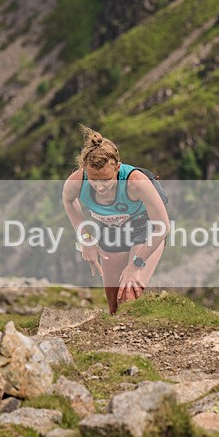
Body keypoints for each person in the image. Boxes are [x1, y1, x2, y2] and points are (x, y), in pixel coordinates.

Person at [62, 125, 170, 315]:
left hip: (144, 228)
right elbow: (68, 201)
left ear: (117, 168)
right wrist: (86, 240)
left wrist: (135, 265)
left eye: (106, 180)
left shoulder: (136, 182)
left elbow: (162, 226)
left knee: (128, 297)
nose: (100, 187)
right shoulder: (77, 182)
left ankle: (139, 341)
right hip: (110, 229)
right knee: (113, 303)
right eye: (94, 180)